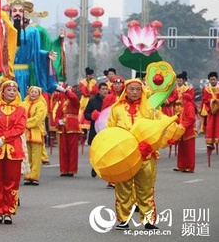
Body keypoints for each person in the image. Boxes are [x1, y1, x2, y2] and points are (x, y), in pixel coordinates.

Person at [106, 79, 163, 230]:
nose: (135, 92)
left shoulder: (149, 109)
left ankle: (148, 220)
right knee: (123, 188)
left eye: (138, 89)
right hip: (123, 155)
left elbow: (157, 128)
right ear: (126, 90)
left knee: (145, 188)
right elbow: (109, 130)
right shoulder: (116, 109)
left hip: (145, 154)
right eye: (131, 89)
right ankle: (123, 219)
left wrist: (149, 145)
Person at [0, 80, 26, 224]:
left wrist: (4, 138)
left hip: (13, 150)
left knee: (11, 182)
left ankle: (8, 211)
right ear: (2, 92)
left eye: (14, 91)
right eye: (9, 90)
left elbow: (20, 128)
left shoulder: (21, 110)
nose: (12, 93)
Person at [6, 0, 61, 98]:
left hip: (23, 72)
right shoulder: (5, 28)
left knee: (22, 96)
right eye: (14, 11)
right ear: (10, 13)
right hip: (7, 71)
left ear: (24, 13)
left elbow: (36, 51)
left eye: (20, 11)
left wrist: (46, 54)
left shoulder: (33, 31)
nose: (17, 13)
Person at [52, 83, 80, 177]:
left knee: (72, 150)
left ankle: (71, 169)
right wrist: (57, 121)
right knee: (63, 149)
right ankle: (64, 169)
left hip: (72, 126)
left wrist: (65, 90)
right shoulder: (61, 103)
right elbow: (56, 114)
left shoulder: (75, 102)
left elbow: (73, 98)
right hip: (63, 127)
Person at [22, 85, 48, 186]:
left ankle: (34, 176)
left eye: (35, 92)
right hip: (25, 133)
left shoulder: (41, 105)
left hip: (36, 133)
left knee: (36, 156)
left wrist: (25, 123)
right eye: (32, 91)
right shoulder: (24, 103)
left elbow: (38, 119)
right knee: (27, 155)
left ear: (39, 94)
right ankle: (27, 176)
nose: (33, 94)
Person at [84, 82, 109, 178]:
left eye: (106, 89)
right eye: (103, 89)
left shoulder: (111, 100)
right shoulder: (93, 101)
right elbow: (86, 114)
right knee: (96, 150)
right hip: (95, 129)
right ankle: (95, 166)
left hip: (107, 129)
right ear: (99, 90)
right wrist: (92, 116)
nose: (105, 91)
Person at [174, 89, 197, 173]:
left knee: (189, 150)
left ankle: (190, 167)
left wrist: (183, 125)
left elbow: (191, 119)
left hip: (189, 132)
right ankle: (181, 166)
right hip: (183, 131)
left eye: (182, 99)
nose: (181, 100)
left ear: (185, 99)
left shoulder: (190, 106)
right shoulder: (184, 107)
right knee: (182, 149)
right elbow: (181, 118)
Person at [201, 71, 219, 150]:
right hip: (211, 111)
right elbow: (205, 99)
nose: (212, 81)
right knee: (210, 126)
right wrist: (211, 102)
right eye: (211, 80)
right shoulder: (206, 89)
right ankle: (210, 143)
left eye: (214, 79)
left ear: (217, 79)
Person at [78, 67, 98, 132]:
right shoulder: (82, 82)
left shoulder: (94, 82)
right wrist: (89, 93)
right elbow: (83, 92)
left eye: (92, 75)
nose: (92, 76)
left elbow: (95, 91)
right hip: (84, 99)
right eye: (91, 75)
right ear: (87, 75)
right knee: (83, 111)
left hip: (91, 99)